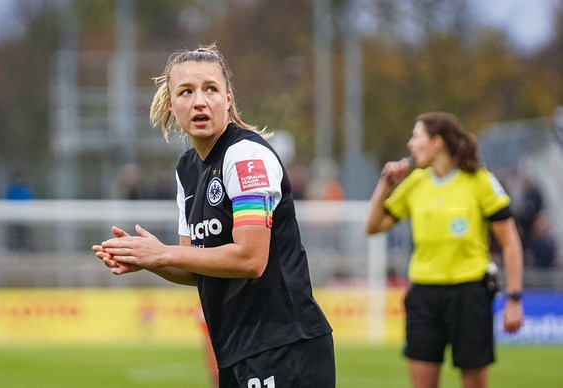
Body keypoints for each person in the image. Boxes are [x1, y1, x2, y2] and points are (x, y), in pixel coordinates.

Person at [92, 43, 335, 388]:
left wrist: (163, 252)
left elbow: (251, 259)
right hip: (234, 350)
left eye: (210, 89)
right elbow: (197, 267)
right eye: (186, 92)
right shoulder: (186, 169)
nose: (200, 101)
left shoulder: (246, 156)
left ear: (228, 99)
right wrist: (150, 260)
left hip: (284, 346)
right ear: (173, 105)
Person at [365, 112, 524, 388]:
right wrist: (385, 184)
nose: (410, 144)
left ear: (436, 142)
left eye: (417, 137)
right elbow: (373, 226)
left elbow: (511, 242)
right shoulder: (415, 183)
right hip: (424, 297)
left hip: (470, 294)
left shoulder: (480, 182)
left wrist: (514, 298)